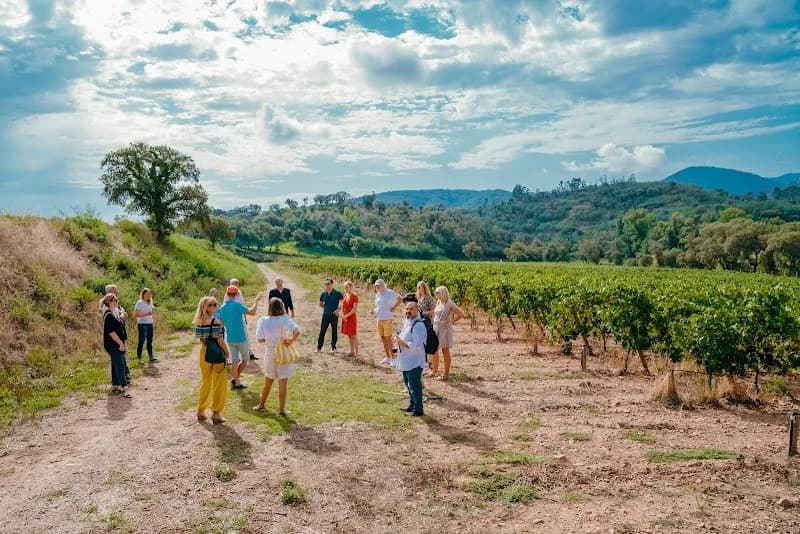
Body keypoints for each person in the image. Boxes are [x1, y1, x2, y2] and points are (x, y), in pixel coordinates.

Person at [253, 298, 301, 415]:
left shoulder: (263, 320)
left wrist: (270, 339)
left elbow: (260, 339)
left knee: (268, 381)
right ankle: (281, 409)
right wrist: (291, 340)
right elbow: (297, 330)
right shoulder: (284, 318)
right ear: (282, 307)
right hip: (283, 351)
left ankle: (261, 405)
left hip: (270, 352)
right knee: (283, 382)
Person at [218, 286, 266, 389]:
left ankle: (236, 382)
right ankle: (236, 380)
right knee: (245, 359)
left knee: (234, 361)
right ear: (236, 295)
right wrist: (256, 301)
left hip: (230, 338)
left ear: (226, 294)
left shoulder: (221, 308)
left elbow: (221, 324)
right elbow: (252, 312)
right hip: (241, 337)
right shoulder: (237, 305)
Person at [193, 295, 231, 424]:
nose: (215, 306)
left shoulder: (198, 321)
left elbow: (201, 339)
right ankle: (216, 413)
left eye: (216, 304)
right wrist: (227, 352)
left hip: (204, 353)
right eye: (212, 304)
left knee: (206, 382)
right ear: (205, 307)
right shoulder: (216, 322)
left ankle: (201, 410)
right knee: (219, 383)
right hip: (216, 354)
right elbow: (220, 341)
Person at [394, 301, 427, 417]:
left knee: (415, 386)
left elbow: (416, 344)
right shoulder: (407, 323)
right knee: (408, 384)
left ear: (417, 310)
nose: (408, 311)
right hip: (406, 361)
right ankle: (412, 405)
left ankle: (418, 410)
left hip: (415, 361)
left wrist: (403, 343)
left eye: (411, 309)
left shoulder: (418, 325)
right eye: (407, 309)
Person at [432, 286, 465, 381]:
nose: (436, 294)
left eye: (437, 292)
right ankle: (435, 371)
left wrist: (451, 322)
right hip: (436, 328)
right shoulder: (438, 302)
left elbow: (461, 314)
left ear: (442, 293)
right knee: (434, 349)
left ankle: (446, 374)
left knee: (445, 350)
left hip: (444, 329)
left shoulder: (449, 303)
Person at [102, 293, 131, 398]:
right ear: (110, 302)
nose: (117, 302)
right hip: (113, 344)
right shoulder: (108, 315)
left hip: (117, 342)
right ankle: (124, 387)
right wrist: (120, 343)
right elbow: (111, 333)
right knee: (120, 364)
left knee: (115, 364)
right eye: (115, 300)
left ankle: (115, 385)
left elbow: (120, 321)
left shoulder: (114, 312)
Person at [371, 279, 402, 366]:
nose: (377, 287)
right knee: (383, 338)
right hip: (379, 319)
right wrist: (374, 311)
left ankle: (393, 358)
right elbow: (378, 306)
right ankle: (388, 357)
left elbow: (400, 299)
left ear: (383, 285)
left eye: (379, 285)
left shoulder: (390, 292)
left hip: (387, 319)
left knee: (388, 339)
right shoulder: (377, 295)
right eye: (376, 286)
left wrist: (394, 307)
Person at [228, 278, 258, 360]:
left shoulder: (239, 293)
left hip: (241, 317)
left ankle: (249, 353)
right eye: (234, 283)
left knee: (245, 335)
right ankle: (236, 357)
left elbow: (242, 305)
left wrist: (245, 317)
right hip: (233, 320)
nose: (236, 285)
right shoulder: (228, 294)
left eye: (237, 283)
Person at [317, 278, 343, 353]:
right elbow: (320, 304)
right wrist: (325, 308)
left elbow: (343, 302)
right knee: (322, 331)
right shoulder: (323, 294)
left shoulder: (337, 293)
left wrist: (338, 310)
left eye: (328, 283)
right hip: (325, 315)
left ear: (332, 284)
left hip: (334, 315)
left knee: (334, 331)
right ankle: (319, 348)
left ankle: (333, 347)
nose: (327, 285)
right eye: (326, 284)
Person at [134, 288, 158, 363]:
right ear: (143, 294)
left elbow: (152, 310)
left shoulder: (150, 302)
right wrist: (146, 314)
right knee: (141, 341)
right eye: (147, 294)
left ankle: (151, 357)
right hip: (142, 324)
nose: (148, 295)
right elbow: (135, 314)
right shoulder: (139, 302)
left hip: (150, 323)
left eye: (149, 294)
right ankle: (139, 359)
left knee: (149, 341)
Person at [341, 281, 359, 357]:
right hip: (346, 318)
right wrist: (343, 315)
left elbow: (354, 309)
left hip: (351, 318)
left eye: (347, 287)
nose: (346, 289)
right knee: (349, 335)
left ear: (351, 287)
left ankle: (357, 352)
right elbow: (342, 306)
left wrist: (346, 316)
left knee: (353, 335)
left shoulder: (354, 296)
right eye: (345, 287)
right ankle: (352, 351)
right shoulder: (345, 295)